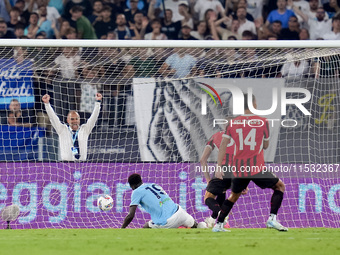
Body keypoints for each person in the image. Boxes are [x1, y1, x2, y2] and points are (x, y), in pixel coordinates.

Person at [213, 94, 288, 232]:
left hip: (239, 168)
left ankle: (218, 225)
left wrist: (218, 166)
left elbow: (223, 144)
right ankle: (272, 219)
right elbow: (265, 146)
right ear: (254, 104)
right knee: (280, 187)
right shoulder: (263, 122)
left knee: (233, 196)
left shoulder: (232, 123)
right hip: (256, 167)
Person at [121, 173, 207, 229]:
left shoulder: (136, 192)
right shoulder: (153, 185)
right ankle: (202, 226)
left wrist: (122, 228)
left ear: (132, 185)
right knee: (196, 226)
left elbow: (130, 215)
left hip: (167, 222)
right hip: (180, 212)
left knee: (146, 227)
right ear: (141, 180)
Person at [42, 93, 102, 161]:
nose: (75, 121)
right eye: (72, 119)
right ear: (68, 120)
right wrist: (47, 104)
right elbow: (53, 118)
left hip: (82, 165)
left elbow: (93, 118)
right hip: (66, 166)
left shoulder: (84, 129)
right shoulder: (62, 129)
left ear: (79, 120)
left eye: (77, 119)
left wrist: (98, 103)